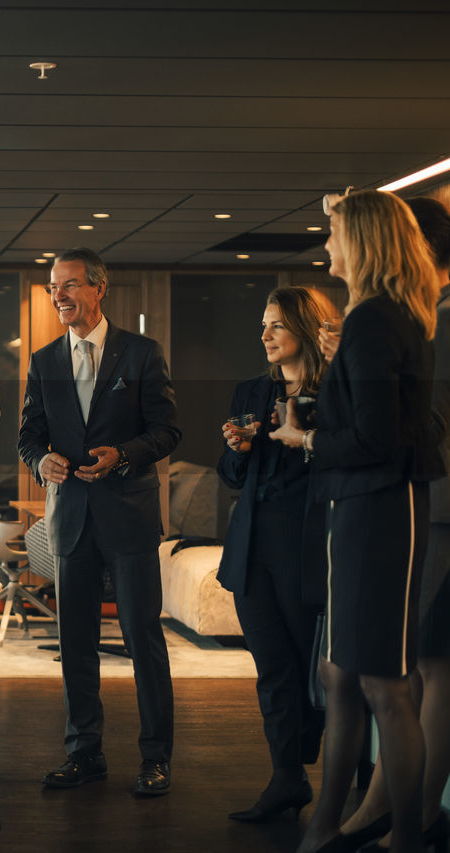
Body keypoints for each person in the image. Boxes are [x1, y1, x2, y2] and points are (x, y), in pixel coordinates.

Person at [269, 189, 442, 853]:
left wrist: (303, 439)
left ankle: (403, 837)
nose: (327, 246)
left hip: (378, 508)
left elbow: (379, 440)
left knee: (384, 687)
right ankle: (325, 828)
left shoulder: (375, 321)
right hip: (363, 506)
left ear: (364, 241)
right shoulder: (385, 316)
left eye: (335, 232)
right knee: (340, 676)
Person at [18, 247, 180, 797]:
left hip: (129, 516)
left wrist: (125, 454)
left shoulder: (141, 353)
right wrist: (41, 461)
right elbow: (28, 435)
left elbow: (167, 431)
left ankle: (156, 758)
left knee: (142, 638)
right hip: (71, 521)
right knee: (76, 642)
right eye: (53, 287)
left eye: (69, 285)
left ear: (98, 288)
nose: (59, 295)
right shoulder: (44, 362)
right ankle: (84, 753)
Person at [335, 196, 450, 851]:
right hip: (421, 503)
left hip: (423, 507)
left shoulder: (416, 321)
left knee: (412, 671)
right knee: (414, 670)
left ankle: (409, 819)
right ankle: (400, 814)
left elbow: (416, 428)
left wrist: (321, 432)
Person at [216, 286, 337, 822]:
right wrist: (237, 450)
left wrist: (303, 438)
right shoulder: (250, 392)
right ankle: (286, 776)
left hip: (309, 547)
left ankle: (318, 769)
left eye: (276, 327)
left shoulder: (337, 391)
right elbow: (232, 477)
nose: (264, 336)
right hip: (252, 548)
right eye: (263, 326)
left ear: (306, 331)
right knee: (271, 668)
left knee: (310, 667)